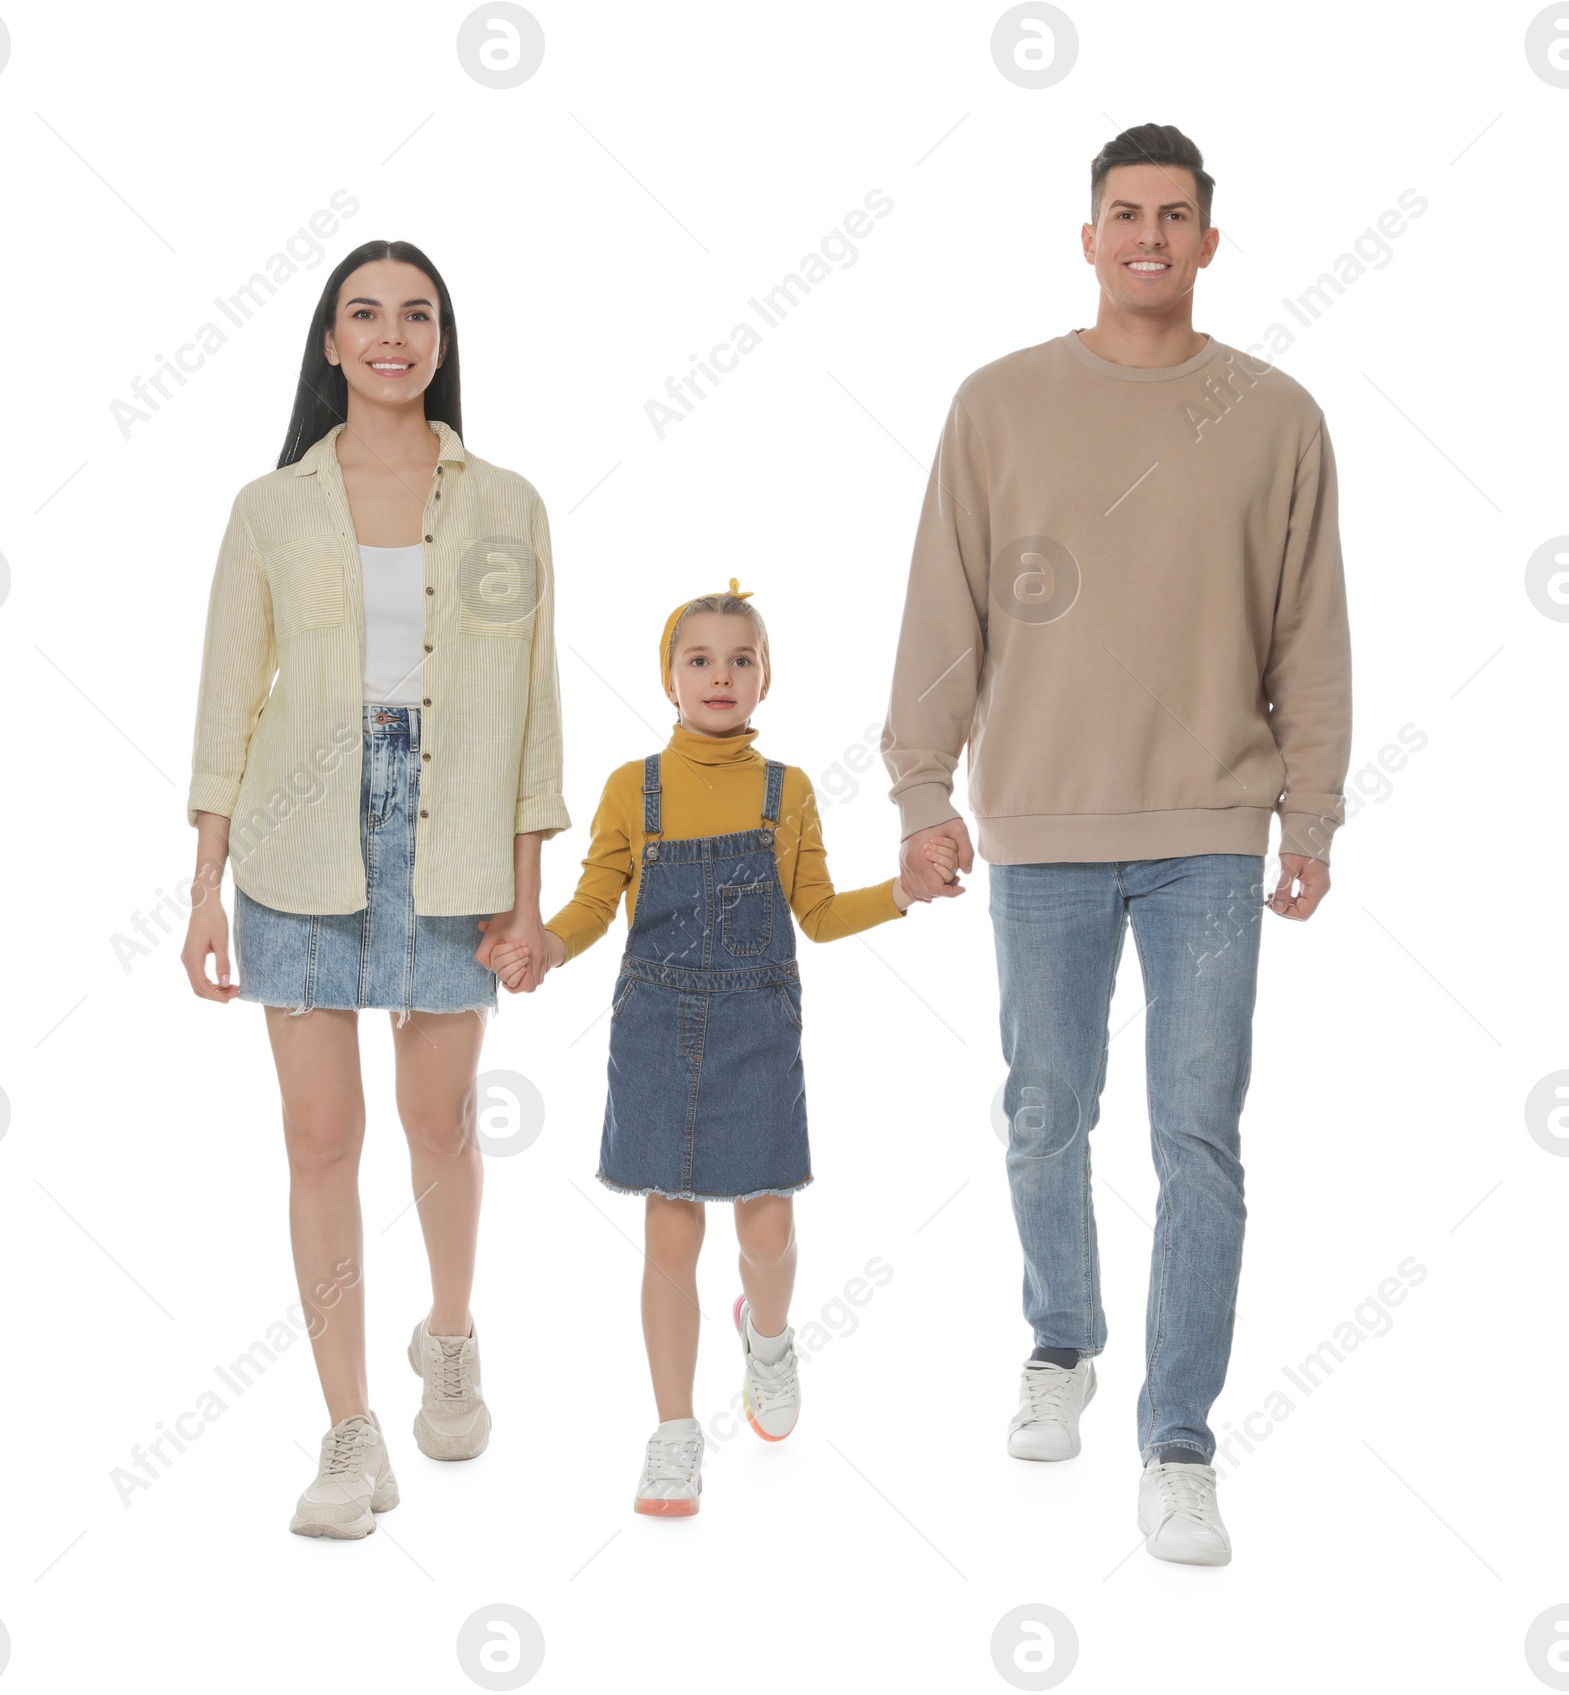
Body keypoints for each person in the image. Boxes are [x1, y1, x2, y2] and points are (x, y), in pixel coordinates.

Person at [881, 124, 1351, 1567]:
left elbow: (1309, 634)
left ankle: (1180, 1440)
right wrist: (919, 794)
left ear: (1212, 241)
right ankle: (1062, 1337)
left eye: (1175, 215)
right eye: (1123, 213)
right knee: (1043, 1109)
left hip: (1213, 825)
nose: (1148, 234)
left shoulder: (1275, 414)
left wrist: (1312, 813)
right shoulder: (999, 404)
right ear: (1086, 237)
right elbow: (943, 610)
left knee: (1197, 1137)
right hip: (1041, 820)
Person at [180, 240, 569, 1538]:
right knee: (317, 1137)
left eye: (417, 314)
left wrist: (529, 895)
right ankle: (350, 1434)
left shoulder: (507, 504)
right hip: (299, 838)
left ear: (441, 340)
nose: (392, 334)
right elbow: (228, 695)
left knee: (443, 1118)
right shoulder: (270, 508)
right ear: (331, 344)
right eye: (365, 314)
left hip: (454, 830)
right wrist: (201, 884)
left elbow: (530, 709)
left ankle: (448, 1332)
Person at [491, 581, 957, 1515]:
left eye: (740, 659)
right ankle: (672, 1434)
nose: (720, 675)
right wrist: (541, 939)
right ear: (669, 677)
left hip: (756, 1031)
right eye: (699, 658)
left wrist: (903, 891)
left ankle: (770, 1341)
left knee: (768, 1228)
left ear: (765, 678)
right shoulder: (634, 788)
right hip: (655, 1029)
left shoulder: (788, 790)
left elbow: (818, 917)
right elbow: (592, 905)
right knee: (669, 1234)